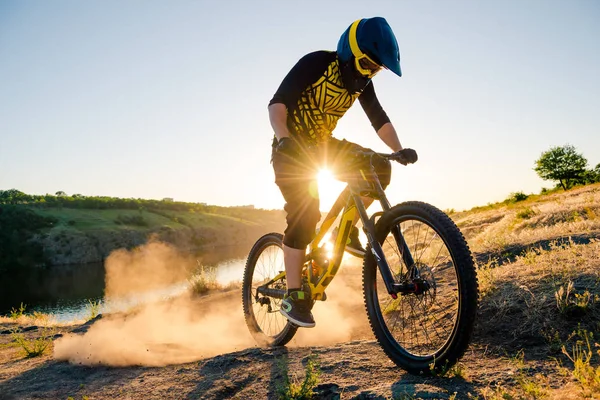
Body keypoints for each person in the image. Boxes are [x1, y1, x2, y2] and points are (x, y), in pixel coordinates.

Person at [268, 17, 418, 328]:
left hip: (322, 145)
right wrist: (284, 138)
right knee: (306, 212)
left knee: (379, 167)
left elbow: (378, 118)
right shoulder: (317, 63)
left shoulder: (363, 83)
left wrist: (399, 148)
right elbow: (277, 104)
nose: (369, 72)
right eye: (366, 64)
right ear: (350, 52)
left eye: (376, 69)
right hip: (290, 150)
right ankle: (293, 295)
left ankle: (343, 231)